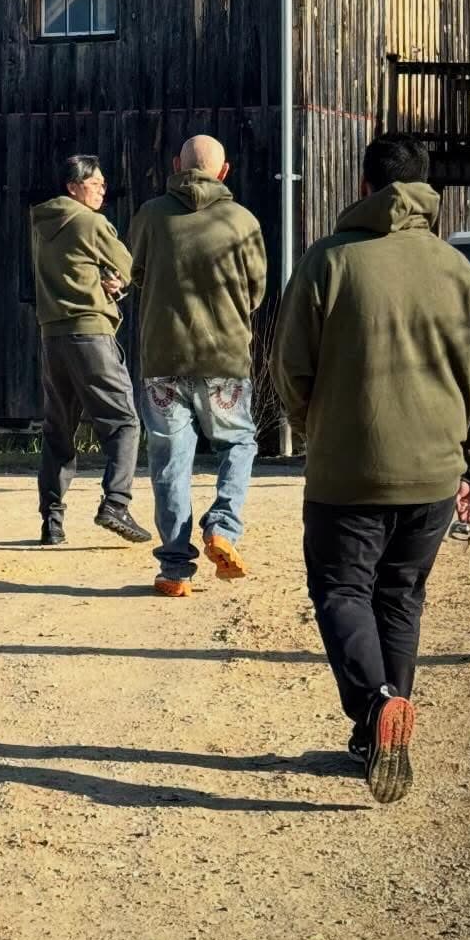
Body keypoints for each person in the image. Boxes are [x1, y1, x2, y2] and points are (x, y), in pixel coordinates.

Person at [271, 133, 470, 804]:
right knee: (400, 597)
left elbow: (292, 367)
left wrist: (315, 420)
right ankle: (383, 727)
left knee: (343, 592)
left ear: (364, 183)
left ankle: (376, 710)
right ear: (426, 190)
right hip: (434, 471)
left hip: (349, 468)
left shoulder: (328, 261)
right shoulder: (455, 270)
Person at [127, 134, 267, 597]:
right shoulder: (242, 220)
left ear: (176, 166)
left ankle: (174, 570)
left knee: (170, 460)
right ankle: (223, 526)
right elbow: (255, 291)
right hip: (223, 356)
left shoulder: (150, 215)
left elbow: (137, 273)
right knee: (239, 442)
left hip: (163, 357)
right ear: (223, 172)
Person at [30, 154, 151, 547]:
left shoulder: (41, 224)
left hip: (52, 335)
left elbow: (71, 271)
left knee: (58, 429)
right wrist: (116, 283)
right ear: (73, 186)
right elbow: (131, 268)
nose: (102, 188)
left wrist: (99, 279)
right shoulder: (92, 222)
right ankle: (115, 502)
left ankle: (52, 520)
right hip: (91, 332)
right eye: (95, 182)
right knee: (124, 422)